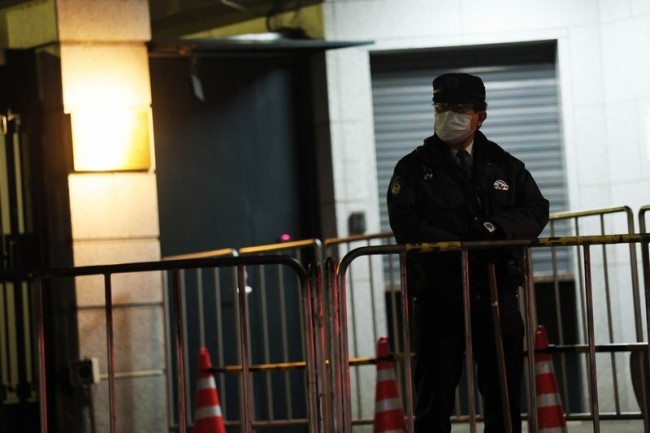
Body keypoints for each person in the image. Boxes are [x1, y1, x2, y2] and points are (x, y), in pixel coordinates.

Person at [387, 72, 549, 433]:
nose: (449, 116)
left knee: (503, 397)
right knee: (434, 398)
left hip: (495, 291)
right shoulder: (414, 168)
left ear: (480, 116)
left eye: (459, 109)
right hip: (439, 295)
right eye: (441, 107)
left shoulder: (504, 165)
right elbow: (406, 221)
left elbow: (536, 209)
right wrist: (460, 245)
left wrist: (496, 230)